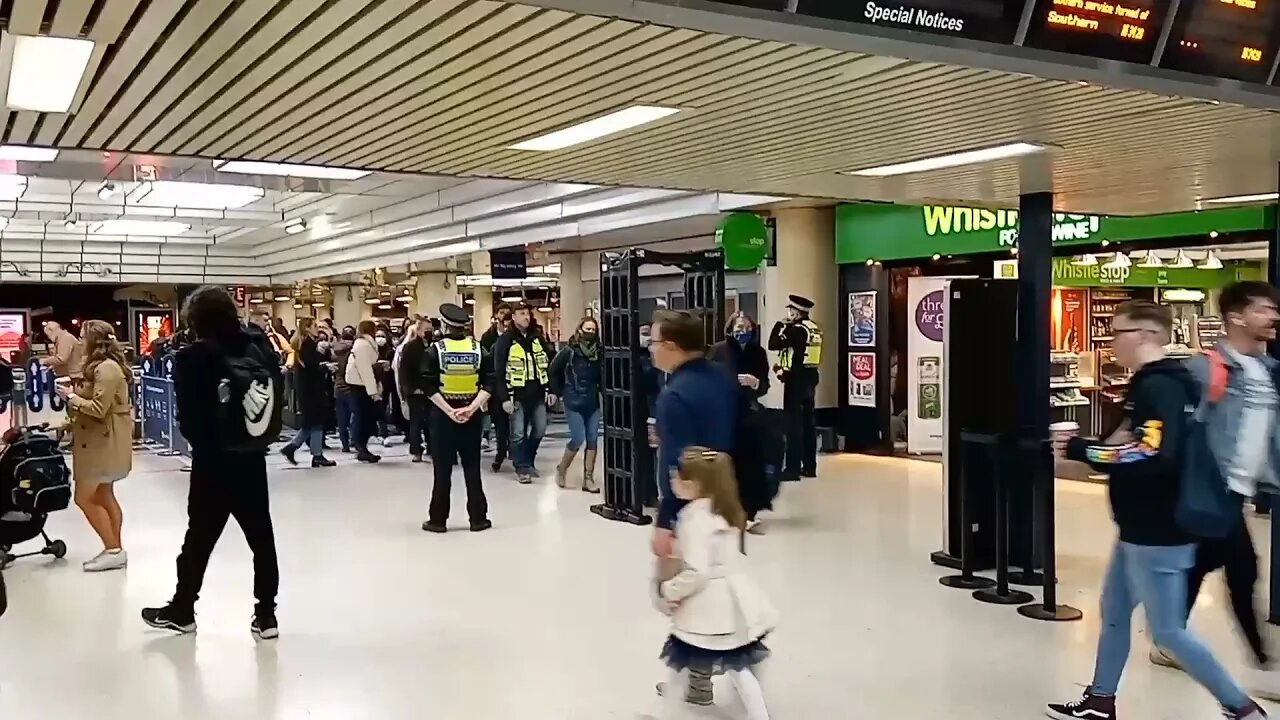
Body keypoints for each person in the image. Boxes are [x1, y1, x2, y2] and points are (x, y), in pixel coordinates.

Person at [1047, 300, 1267, 720]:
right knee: (1114, 611)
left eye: (1118, 332)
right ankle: (1100, 701)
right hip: (1138, 526)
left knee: (1168, 631)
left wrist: (1084, 450)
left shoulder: (1159, 386)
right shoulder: (1162, 382)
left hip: (1159, 529)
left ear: (1148, 334)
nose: (1111, 341)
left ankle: (1241, 708)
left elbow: (1152, 452)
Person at [1149, 281, 1280, 698]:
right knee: (1244, 571)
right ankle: (1262, 664)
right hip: (1213, 490)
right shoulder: (1206, 369)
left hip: (1239, 492)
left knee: (1200, 564)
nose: (1273, 316)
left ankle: (1166, 636)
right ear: (1236, 317)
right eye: (1263, 309)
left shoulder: (1269, 370)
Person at [143, 285, 282, 639]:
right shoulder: (259, 345)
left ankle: (183, 608)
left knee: (199, 540)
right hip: (252, 457)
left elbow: (190, 419)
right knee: (261, 538)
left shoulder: (193, 357)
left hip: (213, 463)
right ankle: (266, 614)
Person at [648, 309, 738, 707]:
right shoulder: (721, 378)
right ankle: (698, 674)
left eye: (653, 342)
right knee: (716, 583)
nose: (650, 349)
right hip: (726, 496)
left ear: (671, 346)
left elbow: (677, 465)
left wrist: (665, 521)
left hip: (689, 508)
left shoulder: (675, 395)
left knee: (679, 591)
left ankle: (695, 675)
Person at [656, 447, 776, 720]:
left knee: (680, 660)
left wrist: (670, 589)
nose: (672, 480)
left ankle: (668, 712)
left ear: (695, 484)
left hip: (704, 607)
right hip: (730, 600)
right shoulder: (725, 510)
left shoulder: (694, 520)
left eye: (677, 476)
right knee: (737, 666)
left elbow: (697, 571)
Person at [58, 319, 132, 571]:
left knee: (84, 497)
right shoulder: (100, 367)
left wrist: (71, 398)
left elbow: (100, 408)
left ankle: (113, 549)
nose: (79, 341)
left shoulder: (106, 369)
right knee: (103, 494)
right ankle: (114, 548)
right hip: (101, 439)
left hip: (103, 442)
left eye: (82, 337)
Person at [420, 303, 492, 533]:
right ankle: (478, 519)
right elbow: (490, 383)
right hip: (471, 416)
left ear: (444, 325)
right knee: (472, 469)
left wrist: (449, 411)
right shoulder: (479, 349)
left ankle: (438, 520)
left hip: (443, 417)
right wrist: (471, 408)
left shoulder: (435, 351)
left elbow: (428, 386)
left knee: (442, 471)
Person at [710, 312, 773, 533]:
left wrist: (755, 383)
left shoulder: (758, 353)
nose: (742, 331)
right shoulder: (719, 351)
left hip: (748, 414)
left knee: (750, 464)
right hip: (723, 412)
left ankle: (748, 510)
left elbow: (764, 386)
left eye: (746, 327)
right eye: (738, 327)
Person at [492, 302, 555, 484]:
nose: (526, 317)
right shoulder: (505, 341)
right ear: (513, 317)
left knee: (540, 430)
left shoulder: (538, 338)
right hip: (516, 395)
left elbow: (549, 365)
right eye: (521, 314)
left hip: (538, 394)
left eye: (527, 313)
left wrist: (551, 389)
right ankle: (522, 467)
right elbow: (499, 372)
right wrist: (504, 398)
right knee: (518, 433)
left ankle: (529, 459)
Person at [768, 295, 821, 481]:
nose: (788, 313)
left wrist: (779, 325)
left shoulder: (796, 330)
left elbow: (773, 344)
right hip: (811, 376)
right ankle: (809, 466)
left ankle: (792, 468)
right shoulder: (813, 328)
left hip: (796, 380)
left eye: (791, 310)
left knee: (793, 425)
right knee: (808, 424)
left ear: (797, 312)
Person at [548, 316, 602, 492]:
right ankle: (562, 468)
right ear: (580, 330)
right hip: (573, 399)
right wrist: (555, 391)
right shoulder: (569, 351)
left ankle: (588, 478)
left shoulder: (599, 352)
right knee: (578, 437)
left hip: (592, 400)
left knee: (592, 438)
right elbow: (553, 370)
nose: (590, 333)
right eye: (587, 329)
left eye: (593, 330)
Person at [279, 319, 336, 468]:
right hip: (312, 389)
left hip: (305, 388)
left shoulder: (301, 344)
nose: (318, 328)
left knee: (310, 423)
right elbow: (312, 368)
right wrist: (325, 367)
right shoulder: (308, 345)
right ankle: (314, 454)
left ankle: (295, 448)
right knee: (315, 423)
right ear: (307, 328)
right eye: (315, 326)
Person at [344, 320, 382, 463]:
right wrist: (373, 391)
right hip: (361, 386)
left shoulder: (364, 344)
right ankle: (361, 448)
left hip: (360, 384)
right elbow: (365, 369)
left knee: (363, 417)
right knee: (362, 417)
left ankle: (362, 447)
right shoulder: (364, 345)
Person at [482, 305, 513, 466]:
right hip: (495, 386)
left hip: (514, 384)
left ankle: (512, 450)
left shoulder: (516, 339)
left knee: (514, 424)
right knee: (500, 423)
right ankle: (501, 452)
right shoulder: (488, 338)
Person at [397, 316, 431, 463]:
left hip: (431, 391)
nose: (429, 332)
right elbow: (403, 371)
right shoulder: (410, 347)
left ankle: (432, 448)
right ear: (418, 330)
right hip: (415, 391)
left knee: (432, 422)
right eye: (426, 329)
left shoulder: (434, 346)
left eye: (430, 329)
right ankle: (416, 450)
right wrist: (409, 389)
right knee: (416, 423)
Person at [332, 326, 356, 453]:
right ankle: (354, 440)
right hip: (351, 387)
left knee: (341, 418)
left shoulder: (334, 351)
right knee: (355, 415)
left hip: (338, 387)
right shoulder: (353, 352)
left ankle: (344, 444)